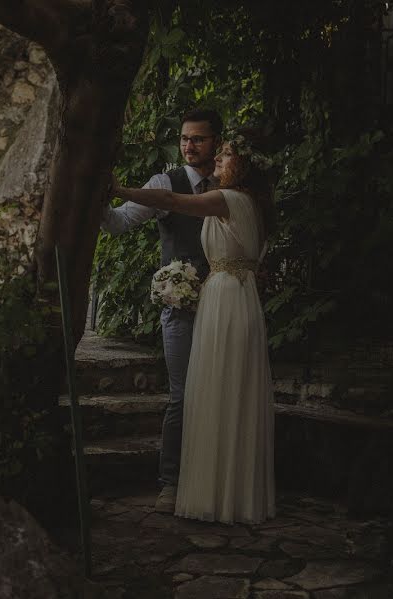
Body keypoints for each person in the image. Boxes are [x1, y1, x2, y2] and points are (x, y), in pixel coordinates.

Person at [108, 129, 276, 524]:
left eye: (226, 156)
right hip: (242, 297)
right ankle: (232, 492)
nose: (217, 160)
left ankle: (209, 491)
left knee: (213, 392)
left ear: (243, 168)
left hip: (223, 298)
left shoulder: (227, 198)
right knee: (232, 393)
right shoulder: (255, 204)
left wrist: (120, 189)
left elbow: (169, 201)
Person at [101, 108, 222, 513]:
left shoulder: (228, 183)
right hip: (180, 307)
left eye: (199, 139)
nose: (189, 145)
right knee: (182, 395)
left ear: (216, 143)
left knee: (220, 392)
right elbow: (118, 223)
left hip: (226, 304)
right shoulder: (162, 184)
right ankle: (170, 483)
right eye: (185, 138)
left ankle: (214, 479)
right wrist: (99, 198)